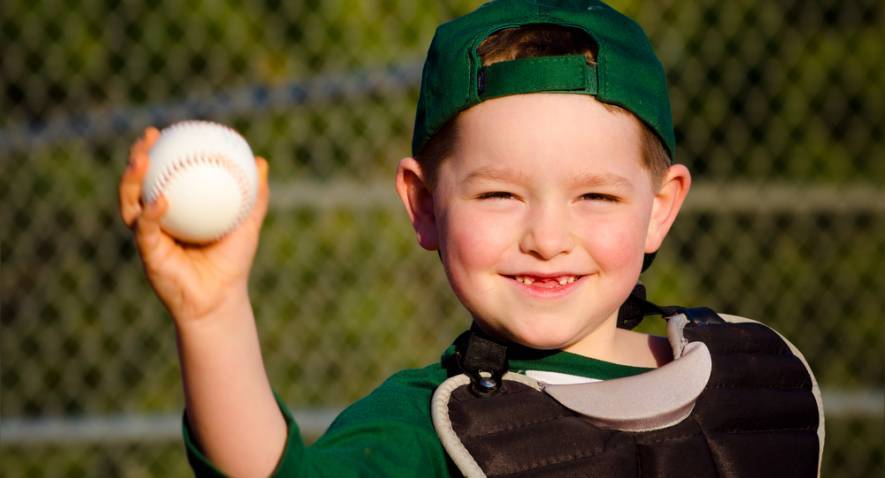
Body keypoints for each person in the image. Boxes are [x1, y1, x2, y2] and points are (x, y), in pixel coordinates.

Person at [119, 1, 824, 476]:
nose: (547, 237)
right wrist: (210, 316)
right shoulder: (431, 426)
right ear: (424, 206)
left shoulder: (752, 377)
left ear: (660, 208)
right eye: (499, 194)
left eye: (596, 196)